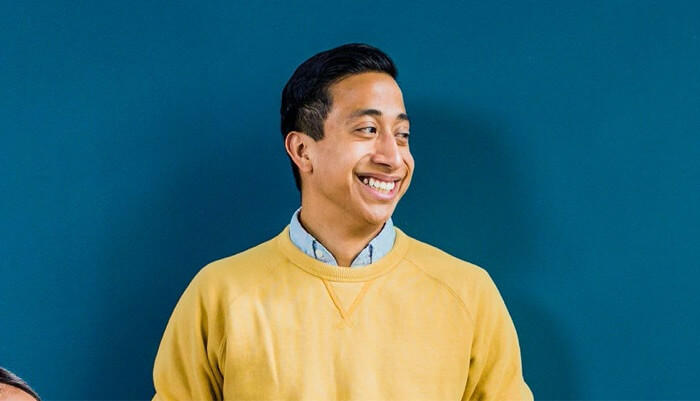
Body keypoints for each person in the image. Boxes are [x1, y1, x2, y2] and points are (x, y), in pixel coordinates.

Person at [152, 43, 533, 400]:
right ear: (303, 150)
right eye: (368, 130)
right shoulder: (220, 295)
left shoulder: (468, 293)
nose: (392, 157)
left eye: (402, 135)